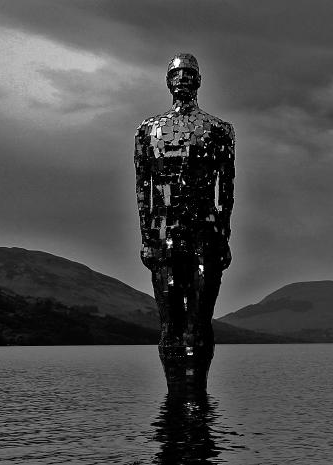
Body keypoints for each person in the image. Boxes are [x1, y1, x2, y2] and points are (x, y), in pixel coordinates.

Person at [133, 53, 235, 392]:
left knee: (200, 321)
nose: (183, 80)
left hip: (205, 234)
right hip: (164, 234)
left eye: (189, 74)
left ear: (199, 81)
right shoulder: (147, 130)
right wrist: (147, 237)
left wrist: (223, 236)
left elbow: (226, 191)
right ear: (167, 82)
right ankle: (176, 393)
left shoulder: (219, 130)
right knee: (170, 321)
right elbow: (143, 187)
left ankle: (196, 394)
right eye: (176, 74)